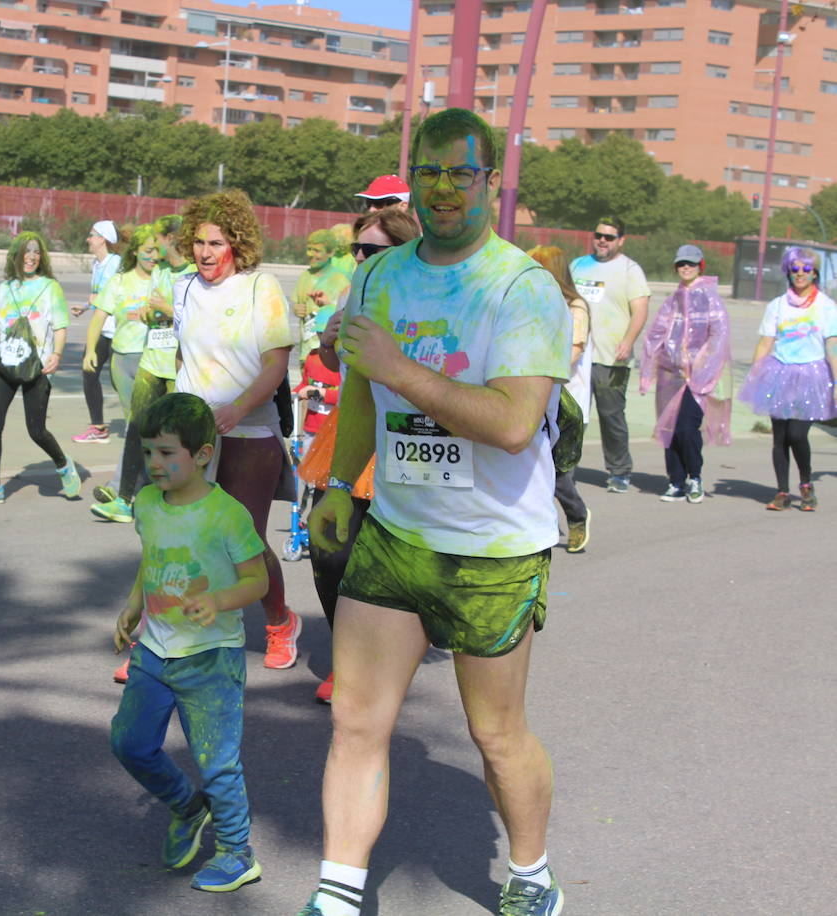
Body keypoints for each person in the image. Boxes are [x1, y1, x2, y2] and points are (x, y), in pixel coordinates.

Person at [298, 109, 571, 916]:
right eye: (430, 172)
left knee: (497, 735)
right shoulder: (381, 277)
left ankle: (530, 876)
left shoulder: (521, 288)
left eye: (462, 173)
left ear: (489, 181)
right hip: (395, 534)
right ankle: (339, 889)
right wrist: (341, 484)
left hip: (492, 550)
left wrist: (398, 364)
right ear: (410, 179)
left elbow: (514, 422)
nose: (444, 189)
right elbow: (357, 388)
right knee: (355, 719)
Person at [109, 392, 268, 894]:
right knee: (129, 743)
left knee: (217, 762)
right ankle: (186, 804)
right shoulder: (148, 504)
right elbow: (151, 560)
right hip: (154, 652)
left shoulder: (227, 515)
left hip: (211, 659)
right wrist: (134, 605)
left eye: (166, 452)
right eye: (148, 451)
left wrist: (219, 600)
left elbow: (258, 582)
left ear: (201, 454)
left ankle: (237, 853)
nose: (154, 462)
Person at [172, 189, 301, 670]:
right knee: (181, 537)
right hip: (193, 435)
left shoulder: (259, 288)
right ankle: (165, 635)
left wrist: (237, 406)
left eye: (216, 243)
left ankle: (280, 623)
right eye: (199, 242)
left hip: (249, 432)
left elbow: (275, 364)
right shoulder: (182, 287)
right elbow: (182, 356)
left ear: (238, 244)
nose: (205, 252)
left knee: (244, 541)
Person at [298, 206, 420, 704]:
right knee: (329, 551)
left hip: (404, 435)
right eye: (357, 250)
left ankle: (384, 659)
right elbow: (333, 362)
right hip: (350, 431)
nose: (362, 258)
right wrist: (328, 346)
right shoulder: (353, 293)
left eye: (373, 251)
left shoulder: (424, 297)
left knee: (391, 560)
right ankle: (350, 660)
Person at [0, 231, 81, 505]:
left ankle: (64, 465)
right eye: (26, 252)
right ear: (15, 255)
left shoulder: (50, 287)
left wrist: (57, 354)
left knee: (36, 430)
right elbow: (1, 325)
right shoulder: (5, 288)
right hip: (6, 364)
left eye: (36, 252)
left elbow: (61, 325)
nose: (31, 257)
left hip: (38, 367)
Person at [738, 245, 837, 511]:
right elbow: (765, 342)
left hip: (811, 375)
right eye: (795, 269)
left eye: (806, 269)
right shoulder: (777, 306)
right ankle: (782, 492)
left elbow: (833, 346)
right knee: (779, 437)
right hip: (779, 373)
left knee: (797, 433)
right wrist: (755, 373)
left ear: (814, 272)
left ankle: (806, 484)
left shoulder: (827, 307)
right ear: (788, 272)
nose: (800, 274)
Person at [640, 244, 733, 504]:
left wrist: (702, 368)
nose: (686, 268)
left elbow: (719, 334)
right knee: (669, 428)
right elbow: (656, 333)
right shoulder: (673, 299)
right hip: (672, 375)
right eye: (681, 264)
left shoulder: (710, 297)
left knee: (686, 427)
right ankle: (676, 481)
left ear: (700, 266)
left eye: (691, 264)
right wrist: (650, 367)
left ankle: (695, 477)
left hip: (700, 378)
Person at [571, 216, 650, 493]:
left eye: (609, 237)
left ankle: (619, 472)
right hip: (577, 358)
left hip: (611, 359)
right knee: (571, 416)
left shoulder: (630, 270)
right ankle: (564, 468)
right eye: (599, 235)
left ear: (621, 241)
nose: (602, 240)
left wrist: (628, 340)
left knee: (611, 416)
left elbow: (640, 309)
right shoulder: (578, 265)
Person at [87, 224, 157, 523]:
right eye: (148, 251)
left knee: (138, 426)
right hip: (121, 360)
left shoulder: (163, 280)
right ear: (136, 252)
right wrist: (91, 350)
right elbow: (98, 317)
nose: (153, 256)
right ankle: (142, 489)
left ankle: (120, 489)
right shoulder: (119, 281)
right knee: (136, 425)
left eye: (157, 251)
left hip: (152, 361)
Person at [528, 244, 593, 551]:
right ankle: (541, 524)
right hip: (535, 397)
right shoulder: (534, 304)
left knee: (559, 472)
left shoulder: (575, 307)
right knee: (533, 467)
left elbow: (572, 353)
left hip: (568, 401)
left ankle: (577, 516)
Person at [72, 220, 121, 444]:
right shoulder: (96, 264)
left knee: (121, 380)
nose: (88, 239)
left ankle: (143, 423)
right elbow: (98, 297)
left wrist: (96, 300)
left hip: (119, 332)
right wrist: (85, 306)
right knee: (88, 370)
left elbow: (118, 295)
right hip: (102, 329)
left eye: (91, 235)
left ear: (102, 238)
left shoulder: (116, 262)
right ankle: (98, 427)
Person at [292, 229, 351, 370]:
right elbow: (297, 302)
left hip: (326, 353)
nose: (311, 254)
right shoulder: (305, 276)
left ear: (331, 253)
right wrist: (296, 309)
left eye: (317, 251)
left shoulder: (341, 281)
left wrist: (328, 307)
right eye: (309, 249)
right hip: (306, 350)